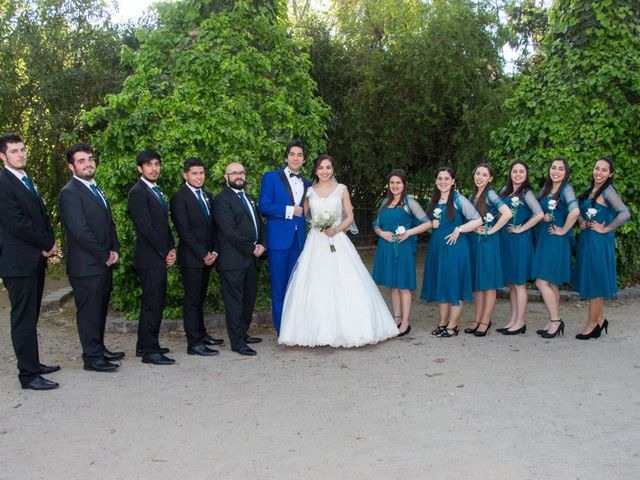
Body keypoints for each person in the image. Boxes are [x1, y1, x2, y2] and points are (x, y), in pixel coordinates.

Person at [278, 154, 399, 347]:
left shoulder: (341, 189)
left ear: (333, 169)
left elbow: (350, 216)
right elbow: (303, 214)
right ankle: (313, 331)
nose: (324, 171)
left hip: (338, 238)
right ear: (315, 170)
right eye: (320, 168)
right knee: (315, 283)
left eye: (328, 167)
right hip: (316, 242)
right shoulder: (310, 191)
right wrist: (316, 225)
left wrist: (336, 229)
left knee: (346, 281)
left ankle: (352, 329)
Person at [0, 134, 60, 390]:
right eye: (14, 151)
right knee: (23, 319)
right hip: (17, 262)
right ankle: (28, 375)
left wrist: (50, 240)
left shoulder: (25, 179)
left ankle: (33, 363)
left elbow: (41, 216)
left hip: (33, 260)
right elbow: (17, 224)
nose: (21, 154)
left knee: (31, 316)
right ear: (3, 156)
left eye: (23, 149)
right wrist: (46, 244)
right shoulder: (3, 183)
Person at [59, 142, 124, 372]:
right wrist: (103, 254)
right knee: (88, 312)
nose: (88, 164)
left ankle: (99, 348)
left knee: (99, 309)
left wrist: (114, 249)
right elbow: (81, 231)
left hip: (103, 263)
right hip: (86, 266)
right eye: (81, 161)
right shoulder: (70, 193)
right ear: (71, 167)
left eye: (89, 159)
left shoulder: (95, 188)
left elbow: (108, 224)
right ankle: (92, 358)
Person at [170, 158, 224, 356]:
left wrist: (214, 252)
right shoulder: (179, 198)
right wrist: (203, 254)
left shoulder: (208, 196)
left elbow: (214, 228)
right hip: (192, 259)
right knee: (192, 301)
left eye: (201, 173)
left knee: (200, 299)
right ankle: (194, 343)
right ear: (185, 175)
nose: (199, 177)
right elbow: (184, 231)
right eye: (194, 173)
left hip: (209, 257)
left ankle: (202, 334)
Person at [127, 150, 176, 365]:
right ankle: (150, 350)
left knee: (153, 302)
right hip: (149, 258)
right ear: (140, 168)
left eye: (157, 164)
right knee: (152, 304)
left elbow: (163, 226)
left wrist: (172, 248)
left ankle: (143, 345)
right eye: (149, 165)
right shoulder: (138, 192)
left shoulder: (155, 191)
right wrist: (164, 251)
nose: (154, 168)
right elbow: (146, 228)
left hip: (158, 255)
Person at [421, 167, 483, 338]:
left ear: (453, 181)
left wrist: (459, 229)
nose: (443, 182)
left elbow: (478, 220)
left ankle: (453, 326)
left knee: (454, 284)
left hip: (456, 248)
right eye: (440, 178)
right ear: (435, 181)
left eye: (446, 178)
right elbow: (428, 225)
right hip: (437, 249)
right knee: (442, 284)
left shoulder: (458, 199)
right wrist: (431, 225)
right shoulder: (433, 201)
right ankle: (442, 322)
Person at [212, 162, 266, 356]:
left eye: (241, 172)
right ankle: (237, 342)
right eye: (234, 173)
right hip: (233, 260)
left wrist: (262, 244)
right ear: (226, 177)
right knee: (235, 303)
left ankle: (243, 333)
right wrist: (252, 247)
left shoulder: (249, 198)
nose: (238, 176)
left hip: (251, 259)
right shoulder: (221, 200)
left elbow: (259, 224)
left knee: (249, 299)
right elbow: (229, 231)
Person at [573, 157, 630, 339]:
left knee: (595, 283)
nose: (599, 172)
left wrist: (606, 228)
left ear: (610, 174)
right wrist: (581, 221)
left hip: (598, 243)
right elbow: (582, 213)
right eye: (597, 168)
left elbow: (625, 213)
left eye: (604, 170)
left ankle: (591, 325)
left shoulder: (608, 191)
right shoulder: (592, 190)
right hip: (587, 241)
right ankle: (600, 319)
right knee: (592, 278)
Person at [258, 140, 312, 333]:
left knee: (296, 286)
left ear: (304, 160)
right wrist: (290, 210)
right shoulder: (271, 177)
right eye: (292, 154)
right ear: (286, 157)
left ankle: (295, 326)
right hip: (279, 242)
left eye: (299, 155)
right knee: (279, 287)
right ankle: (282, 329)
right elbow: (264, 206)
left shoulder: (309, 184)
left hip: (300, 242)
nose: (295, 158)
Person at [372, 169, 431, 337]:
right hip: (386, 246)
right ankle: (396, 318)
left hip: (403, 248)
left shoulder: (409, 203)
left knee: (403, 286)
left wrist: (409, 233)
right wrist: (382, 233)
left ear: (404, 184)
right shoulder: (384, 201)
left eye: (398, 183)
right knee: (393, 285)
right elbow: (376, 224)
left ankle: (405, 322)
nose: (395, 186)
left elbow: (427, 223)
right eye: (392, 183)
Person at [532, 158, 579, 338]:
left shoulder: (566, 189)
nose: (556, 171)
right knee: (551, 282)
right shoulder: (546, 189)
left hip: (555, 239)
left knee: (541, 281)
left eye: (560, 169)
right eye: (553, 168)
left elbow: (575, 212)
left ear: (565, 172)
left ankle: (556, 321)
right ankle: (552, 319)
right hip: (545, 237)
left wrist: (563, 230)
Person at [465, 163, 512, 337]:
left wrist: (492, 229)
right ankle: (477, 319)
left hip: (487, 243)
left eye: (484, 175)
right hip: (474, 243)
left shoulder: (491, 194)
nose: (480, 177)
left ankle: (485, 321)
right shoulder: (472, 195)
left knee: (488, 283)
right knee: (478, 284)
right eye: (478, 173)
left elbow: (507, 213)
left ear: (490, 178)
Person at [497, 161, 543, 335]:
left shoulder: (526, 192)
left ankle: (520, 322)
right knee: (513, 284)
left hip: (520, 242)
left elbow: (539, 214)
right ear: (510, 174)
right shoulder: (505, 191)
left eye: (521, 171)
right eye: (514, 171)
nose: (517, 174)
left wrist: (522, 228)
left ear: (526, 174)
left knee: (520, 283)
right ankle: (513, 320)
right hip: (507, 241)